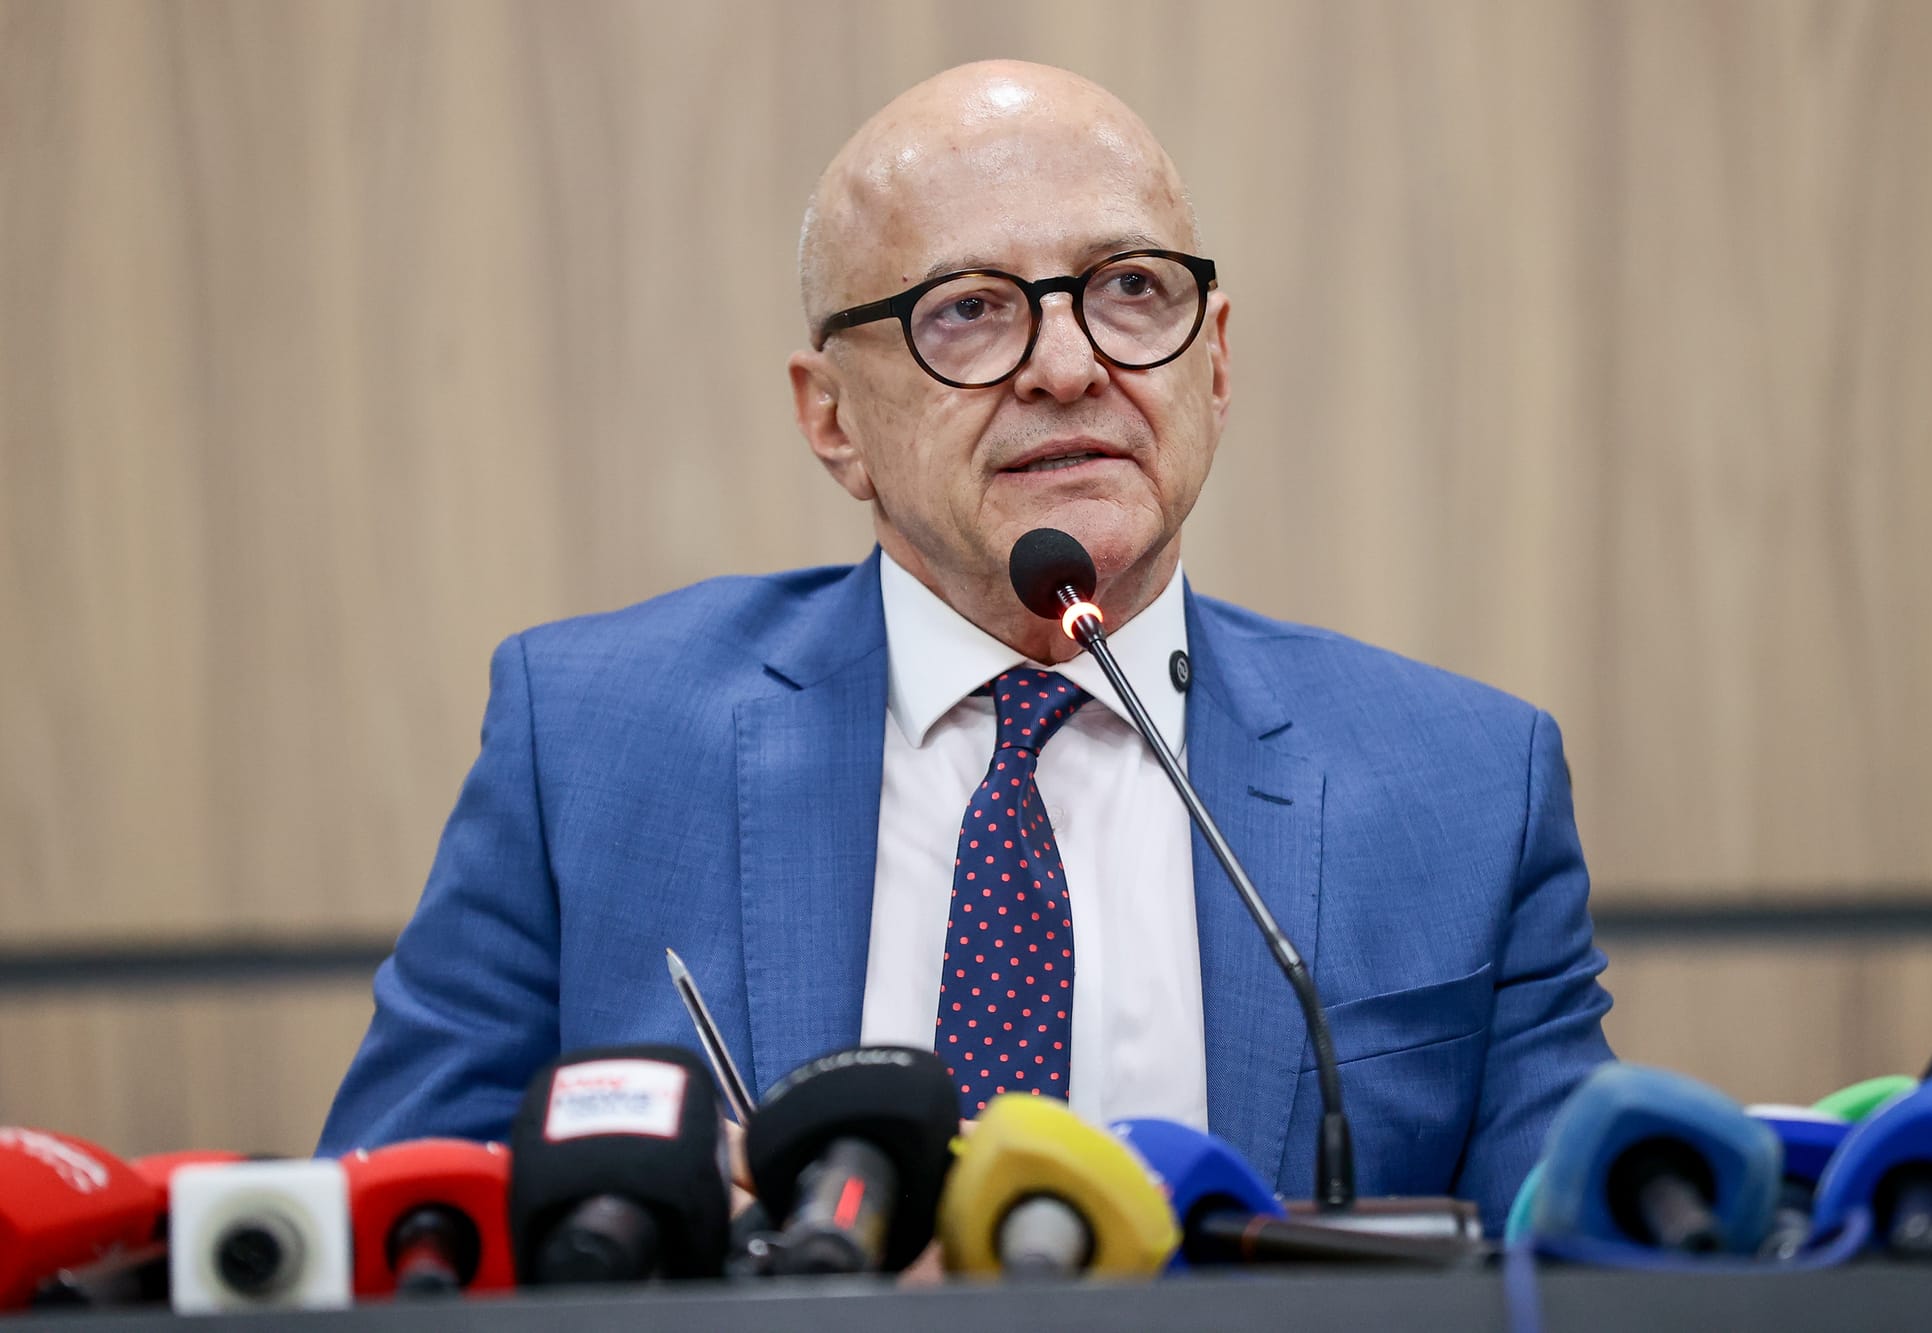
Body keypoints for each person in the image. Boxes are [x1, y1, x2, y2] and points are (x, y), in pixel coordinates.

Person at [318, 60, 1613, 1231]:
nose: (1068, 364)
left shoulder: (1466, 788)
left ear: (1213, 365)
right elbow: (386, 1234)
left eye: (1131, 288)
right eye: (970, 310)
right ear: (833, 419)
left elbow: (1590, 1262)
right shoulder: (589, 741)